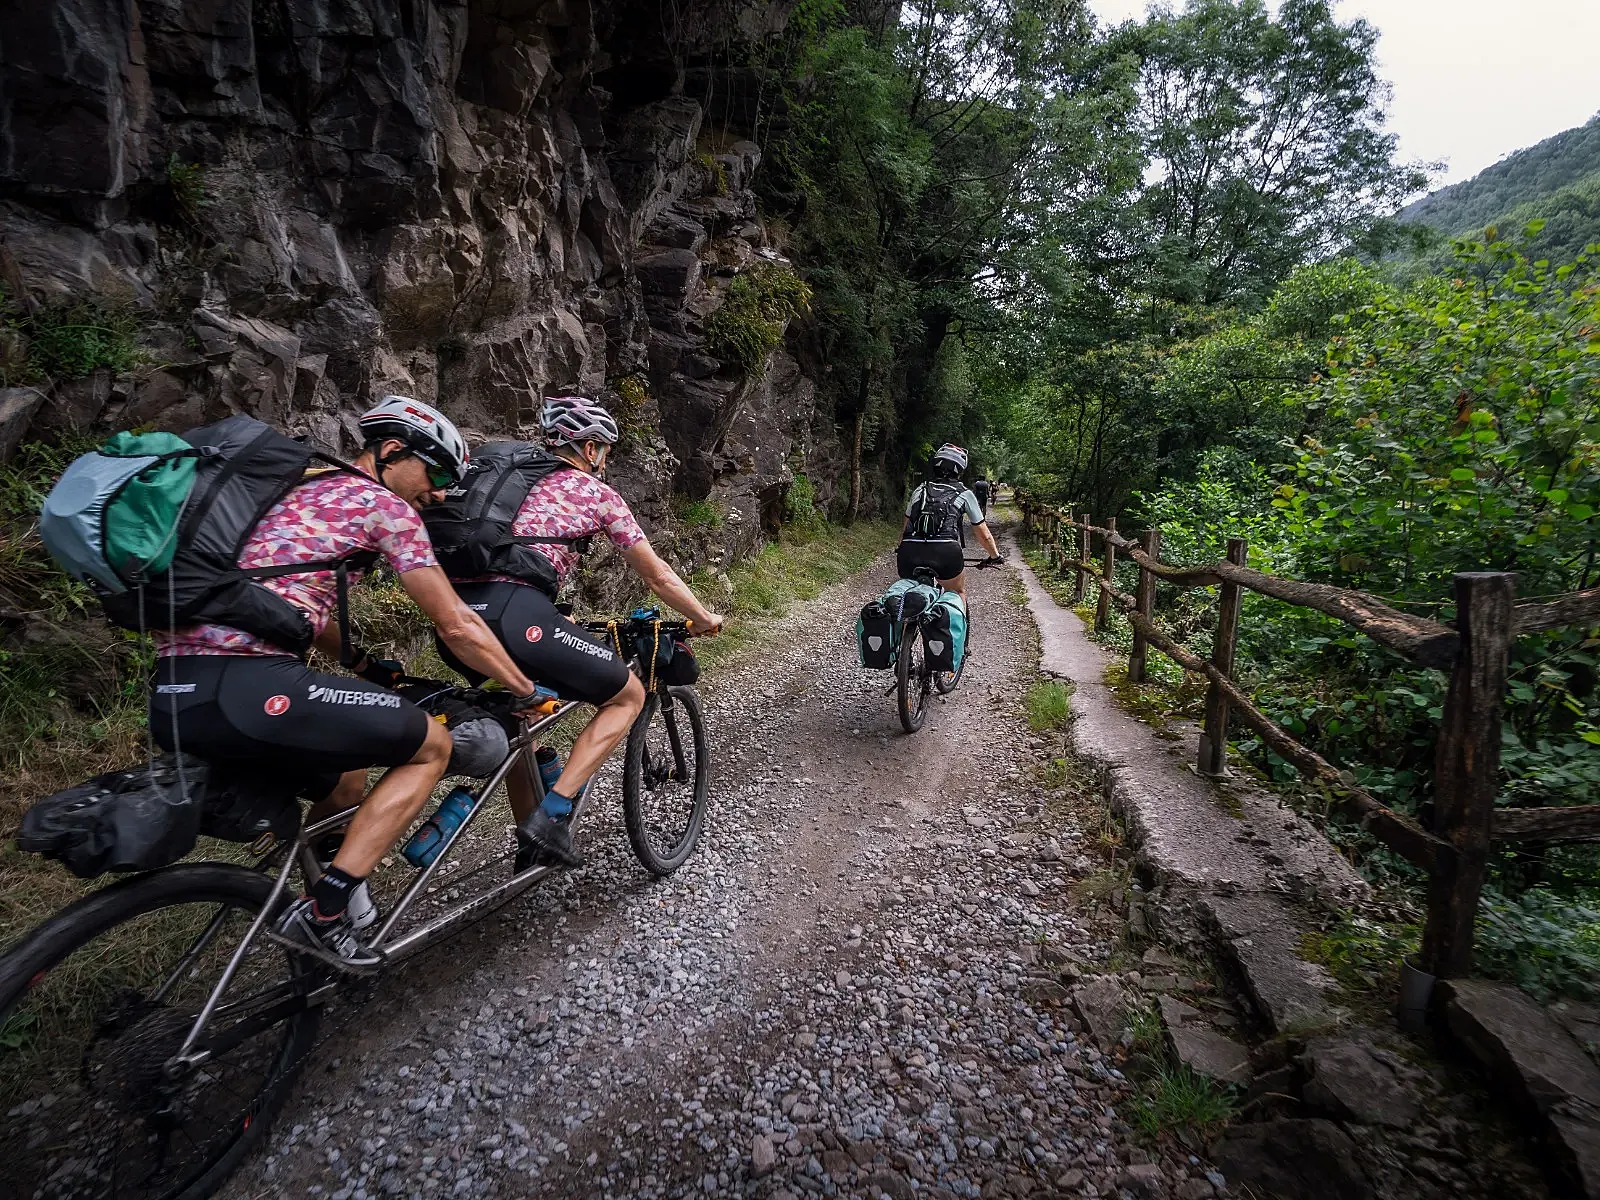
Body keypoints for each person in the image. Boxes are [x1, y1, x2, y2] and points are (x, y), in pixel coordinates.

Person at [148, 396, 549, 968]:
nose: (439, 493)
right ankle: (326, 913)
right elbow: (457, 624)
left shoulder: (294, 492)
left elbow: (285, 602)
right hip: (249, 687)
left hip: (172, 692)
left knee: (347, 775)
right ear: (391, 451)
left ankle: (331, 892)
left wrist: (363, 665)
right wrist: (526, 690)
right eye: (436, 472)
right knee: (429, 747)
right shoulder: (381, 505)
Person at [437, 393, 726, 870]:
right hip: (515, 618)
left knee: (519, 716)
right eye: (605, 450)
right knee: (627, 696)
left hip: (454, 621)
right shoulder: (593, 493)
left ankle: (531, 841)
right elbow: (656, 575)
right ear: (590, 449)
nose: (605, 461)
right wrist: (703, 617)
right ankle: (549, 819)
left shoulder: (500, 481)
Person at [897, 443, 1002, 600]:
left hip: (910, 552)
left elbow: (906, 527)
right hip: (945, 553)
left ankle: (904, 623)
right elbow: (984, 535)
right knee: (957, 593)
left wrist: (900, 547)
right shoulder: (965, 494)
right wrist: (995, 556)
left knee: (907, 599)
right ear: (959, 470)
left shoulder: (920, 489)